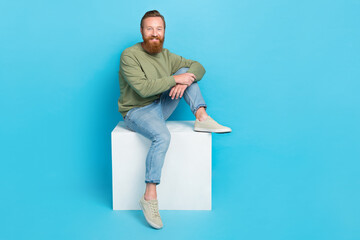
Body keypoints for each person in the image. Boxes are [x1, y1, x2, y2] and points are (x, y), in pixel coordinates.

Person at [118, 10, 231, 229]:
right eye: (149, 29)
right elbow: (142, 89)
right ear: (142, 31)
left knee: (187, 74)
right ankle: (149, 196)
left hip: (159, 106)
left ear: (164, 32)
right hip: (136, 111)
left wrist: (183, 80)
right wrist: (175, 79)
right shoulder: (129, 55)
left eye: (159, 29)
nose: (154, 34)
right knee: (162, 136)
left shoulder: (167, 55)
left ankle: (201, 116)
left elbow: (198, 66)